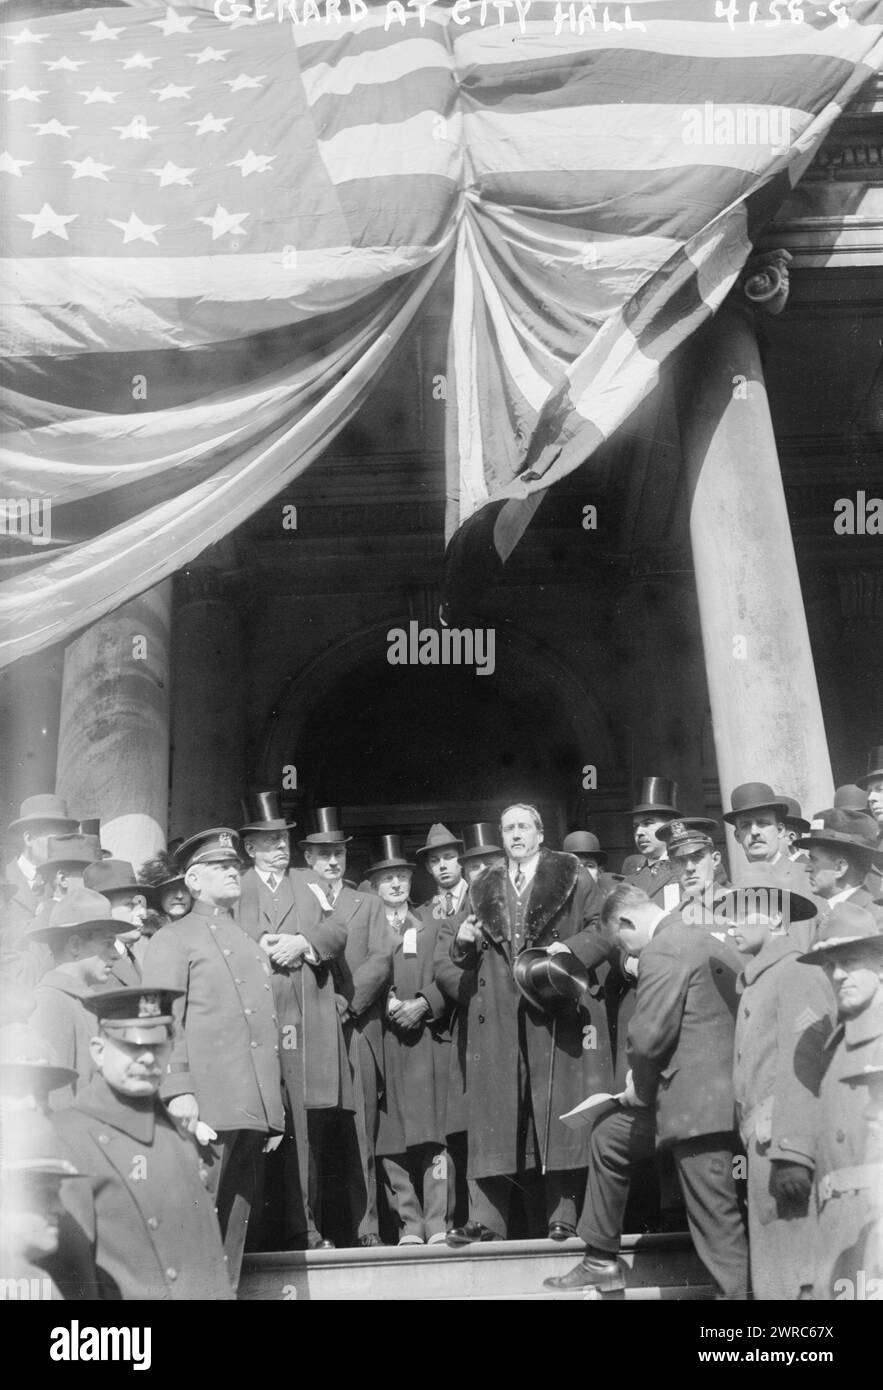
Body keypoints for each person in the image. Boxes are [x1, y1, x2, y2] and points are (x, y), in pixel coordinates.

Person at [546, 882, 748, 1297]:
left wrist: (637, 1083)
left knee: (717, 1221)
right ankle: (600, 1260)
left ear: (626, 920)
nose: (627, 955)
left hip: (698, 1111)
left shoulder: (664, 946)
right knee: (609, 1137)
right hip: (701, 1099)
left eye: (622, 941)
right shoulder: (702, 936)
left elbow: (649, 1034)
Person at [447, 803, 613, 1244]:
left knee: (556, 1108)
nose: (516, 835)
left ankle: (562, 1216)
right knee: (494, 1114)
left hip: (551, 1001)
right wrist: (463, 943)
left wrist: (566, 955)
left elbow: (603, 928)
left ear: (540, 834)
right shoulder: (483, 885)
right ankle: (486, 1220)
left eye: (523, 827)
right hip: (498, 1009)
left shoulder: (573, 875)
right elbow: (464, 947)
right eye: (508, 829)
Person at [141, 827, 285, 1287]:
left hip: (247, 1109)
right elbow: (162, 1019)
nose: (232, 871)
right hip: (203, 1106)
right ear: (193, 881)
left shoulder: (244, 939)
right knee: (191, 1228)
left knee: (231, 1236)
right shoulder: (174, 938)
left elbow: (261, 1030)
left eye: (233, 865)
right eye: (220, 866)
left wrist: (272, 1111)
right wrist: (177, 1090)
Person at [53, 987, 235, 1301]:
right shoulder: (67, 1136)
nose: (148, 1058)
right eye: (132, 1046)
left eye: (157, 1046)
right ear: (98, 1050)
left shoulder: (177, 1134)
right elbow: (70, 1276)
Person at [724, 871, 836, 1300]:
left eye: (740, 913)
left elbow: (806, 1068)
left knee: (796, 1278)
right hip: (764, 1146)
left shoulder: (795, 973)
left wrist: (794, 1153)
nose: (731, 924)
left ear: (773, 918)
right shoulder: (764, 975)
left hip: (782, 1148)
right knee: (778, 1275)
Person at [307, 814, 394, 1249]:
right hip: (311, 1032)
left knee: (361, 1130)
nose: (332, 861)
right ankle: (313, 1229)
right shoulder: (298, 901)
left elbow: (380, 959)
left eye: (338, 853)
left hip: (356, 1028)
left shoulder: (368, 902)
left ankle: (368, 1229)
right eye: (323, 854)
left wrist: (348, 1003)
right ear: (308, 858)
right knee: (315, 1130)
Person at [368, 840, 453, 1246]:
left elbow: (449, 975)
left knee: (433, 1133)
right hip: (384, 1041)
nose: (396, 884)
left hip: (424, 1042)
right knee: (391, 1136)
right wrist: (384, 1002)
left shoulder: (431, 925)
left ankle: (438, 1221)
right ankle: (409, 1222)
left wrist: (423, 1003)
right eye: (387, 879)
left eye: (401, 877)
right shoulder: (366, 930)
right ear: (374, 886)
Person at [798, 904, 883, 1300]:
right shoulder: (836, 1044)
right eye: (831, 966)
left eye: (849, 961)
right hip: (835, 1228)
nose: (838, 975)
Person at [431, 822, 504, 1227]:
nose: (482, 873)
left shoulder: (526, 914)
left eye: (490, 865)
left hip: (524, 1033)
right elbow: (445, 972)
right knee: (480, 1128)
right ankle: (486, 1221)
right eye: (474, 867)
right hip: (478, 1035)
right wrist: (463, 944)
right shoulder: (452, 921)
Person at [27, 890, 123, 1104]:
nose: (116, 954)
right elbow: (53, 1099)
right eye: (108, 943)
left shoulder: (79, 999)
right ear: (75, 945)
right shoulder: (52, 1003)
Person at [794, 808, 883, 931]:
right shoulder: (834, 912)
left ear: (840, 868)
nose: (807, 868)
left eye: (813, 859)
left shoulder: (873, 921)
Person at [4, 794, 77, 920]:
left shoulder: (64, 880)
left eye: (64, 840)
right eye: (55, 840)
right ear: (29, 839)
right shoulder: (4, 880)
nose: (62, 847)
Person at [83, 859, 150, 986]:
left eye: (140, 903)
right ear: (104, 909)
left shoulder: (131, 954)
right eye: (130, 904)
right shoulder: (93, 962)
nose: (142, 913)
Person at [622, 777, 682, 911]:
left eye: (647, 823)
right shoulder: (629, 882)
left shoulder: (692, 869)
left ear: (671, 825)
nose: (639, 832)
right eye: (635, 826)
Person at [562, 831, 623, 898]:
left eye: (589, 866)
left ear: (599, 872)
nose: (582, 872)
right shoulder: (555, 903)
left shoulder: (610, 903)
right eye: (574, 866)